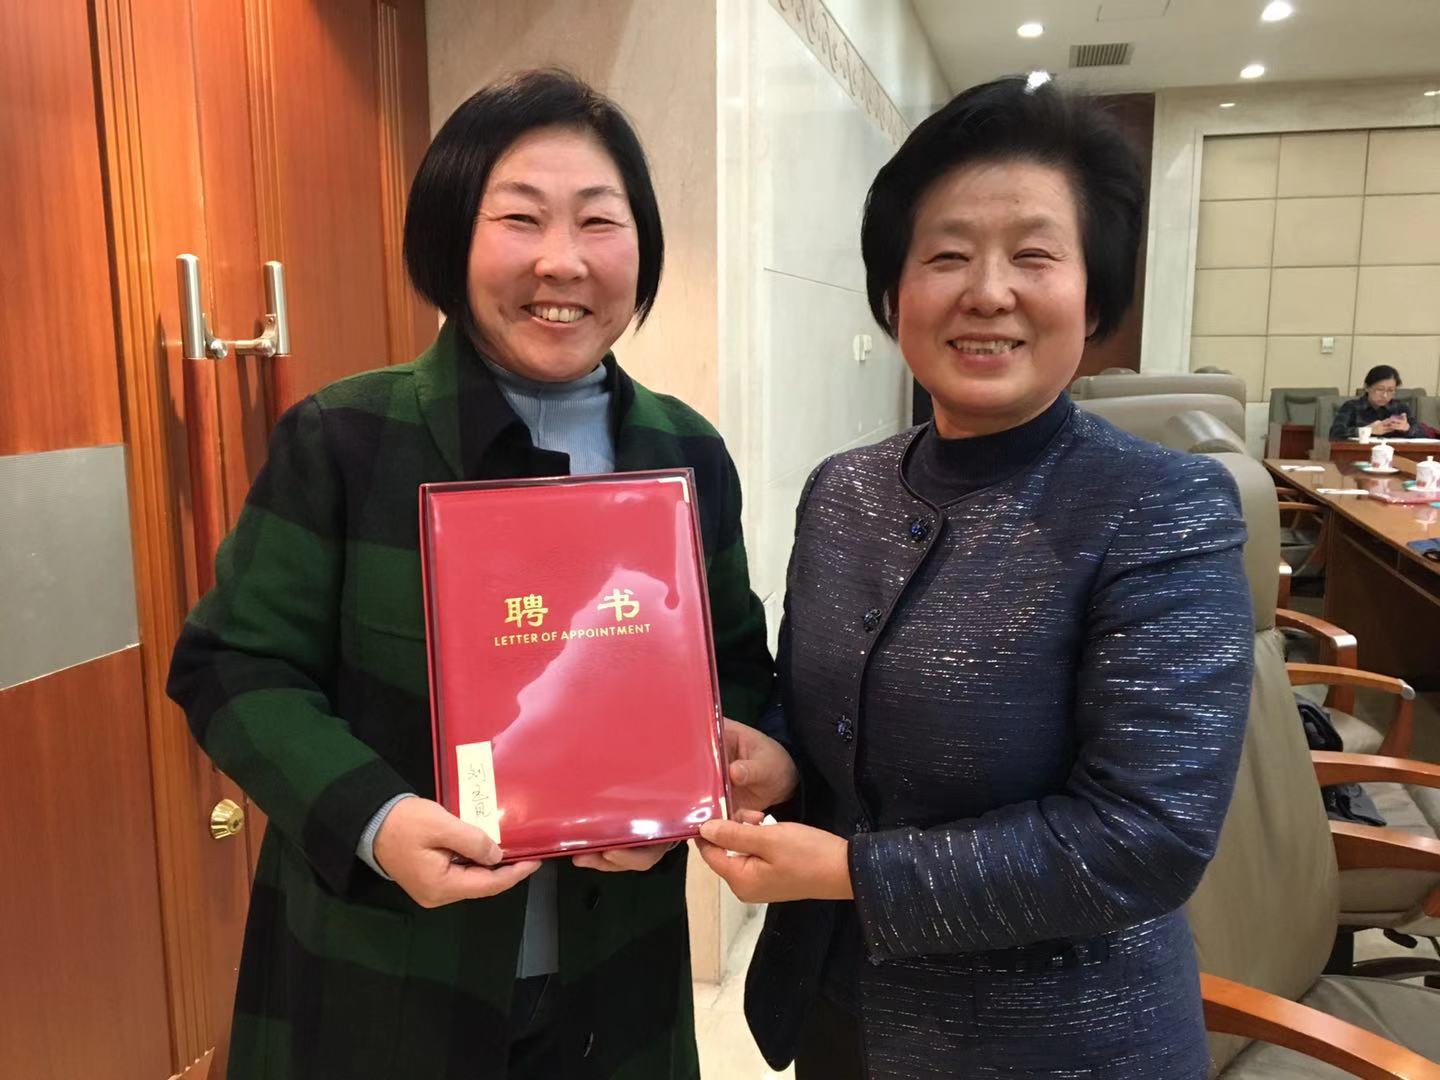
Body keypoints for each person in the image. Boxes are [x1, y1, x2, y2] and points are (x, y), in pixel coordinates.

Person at [167, 69, 782, 1079]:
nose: (561, 261)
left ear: (641, 245)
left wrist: (694, 785)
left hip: (614, 972)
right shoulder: (347, 439)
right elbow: (232, 666)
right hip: (381, 967)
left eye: (599, 220)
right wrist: (376, 821)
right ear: (452, 236)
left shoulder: (684, 454)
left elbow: (738, 672)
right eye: (521, 218)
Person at [697, 76, 1254, 1078]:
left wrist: (854, 873)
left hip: (1058, 1046)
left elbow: (1144, 838)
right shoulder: (845, 490)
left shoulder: (1162, 508)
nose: (987, 292)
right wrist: (778, 757)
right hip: (836, 1013)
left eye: (1034, 256)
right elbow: (822, 706)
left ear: (1095, 296)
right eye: (947, 255)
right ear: (894, 294)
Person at [1329, 365, 1421, 439]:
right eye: (1380, 389)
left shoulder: (1400, 408)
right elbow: (1335, 434)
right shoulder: (1351, 407)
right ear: (1367, 387)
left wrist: (1407, 428)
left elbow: (1423, 434)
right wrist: (1368, 430)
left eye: (1390, 390)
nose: (1385, 395)